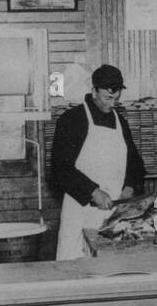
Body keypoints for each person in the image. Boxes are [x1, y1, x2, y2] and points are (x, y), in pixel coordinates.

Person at [51, 64, 146, 260]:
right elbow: (60, 169)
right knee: (77, 270)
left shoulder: (120, 121)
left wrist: (129, 188)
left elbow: (136, 164)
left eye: (116, 99)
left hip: (113, 217)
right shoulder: (72, 120)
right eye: (107, 98)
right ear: (94, 91)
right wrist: (93, 191)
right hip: (80, 212)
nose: (112, 104)